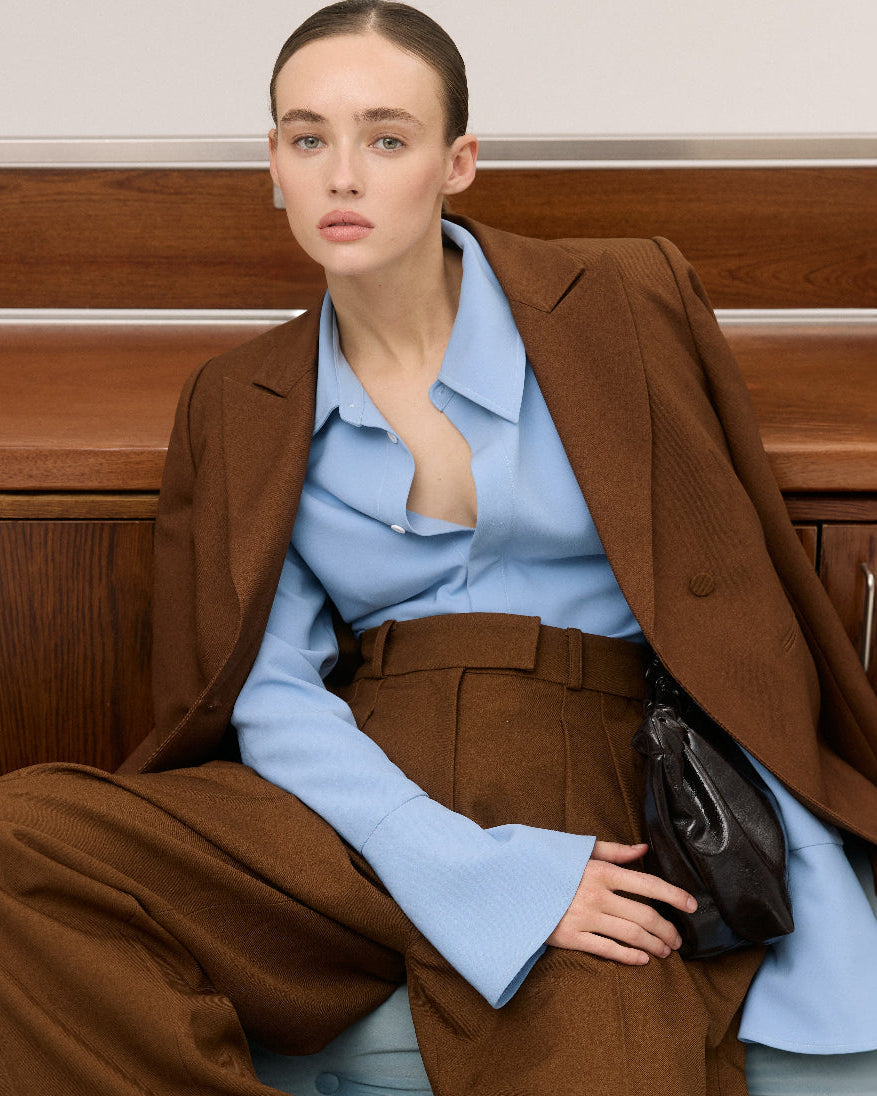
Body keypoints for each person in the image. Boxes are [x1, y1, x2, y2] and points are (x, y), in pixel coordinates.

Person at [1, 3, 877, 1094]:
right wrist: (451, 861)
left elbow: (730, 560)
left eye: (386, 137)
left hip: (588, 770)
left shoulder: (620, 297)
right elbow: (267, 687)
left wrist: (782, 820)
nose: (342, 177)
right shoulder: (237, 397)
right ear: (272, 164)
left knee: (608, 1048)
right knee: (21, 838)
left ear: (456, 161)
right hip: (355, 790)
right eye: (307, 138)